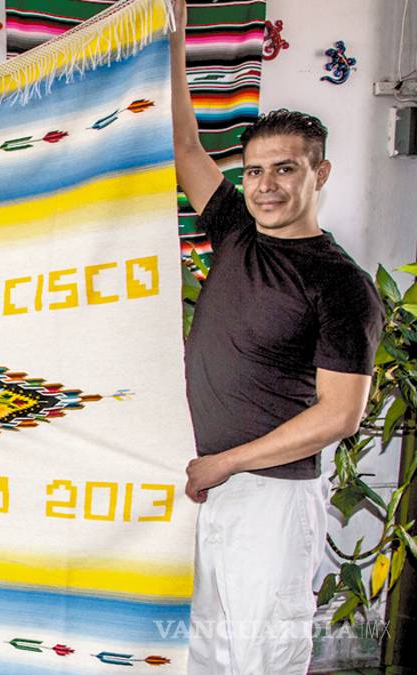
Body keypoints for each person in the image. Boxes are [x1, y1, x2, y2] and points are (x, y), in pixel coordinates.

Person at [169, 4, 384, 673]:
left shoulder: (341, 284)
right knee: (203, 649)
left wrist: (228, 462)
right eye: (255, 170)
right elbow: (185, 148)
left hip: (272, 495)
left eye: (285, 169)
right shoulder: (236, 231)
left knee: (263, 652)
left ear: (320, 173)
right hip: (208, 483)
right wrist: (173, 38)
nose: (265, 186)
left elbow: (340, 415)